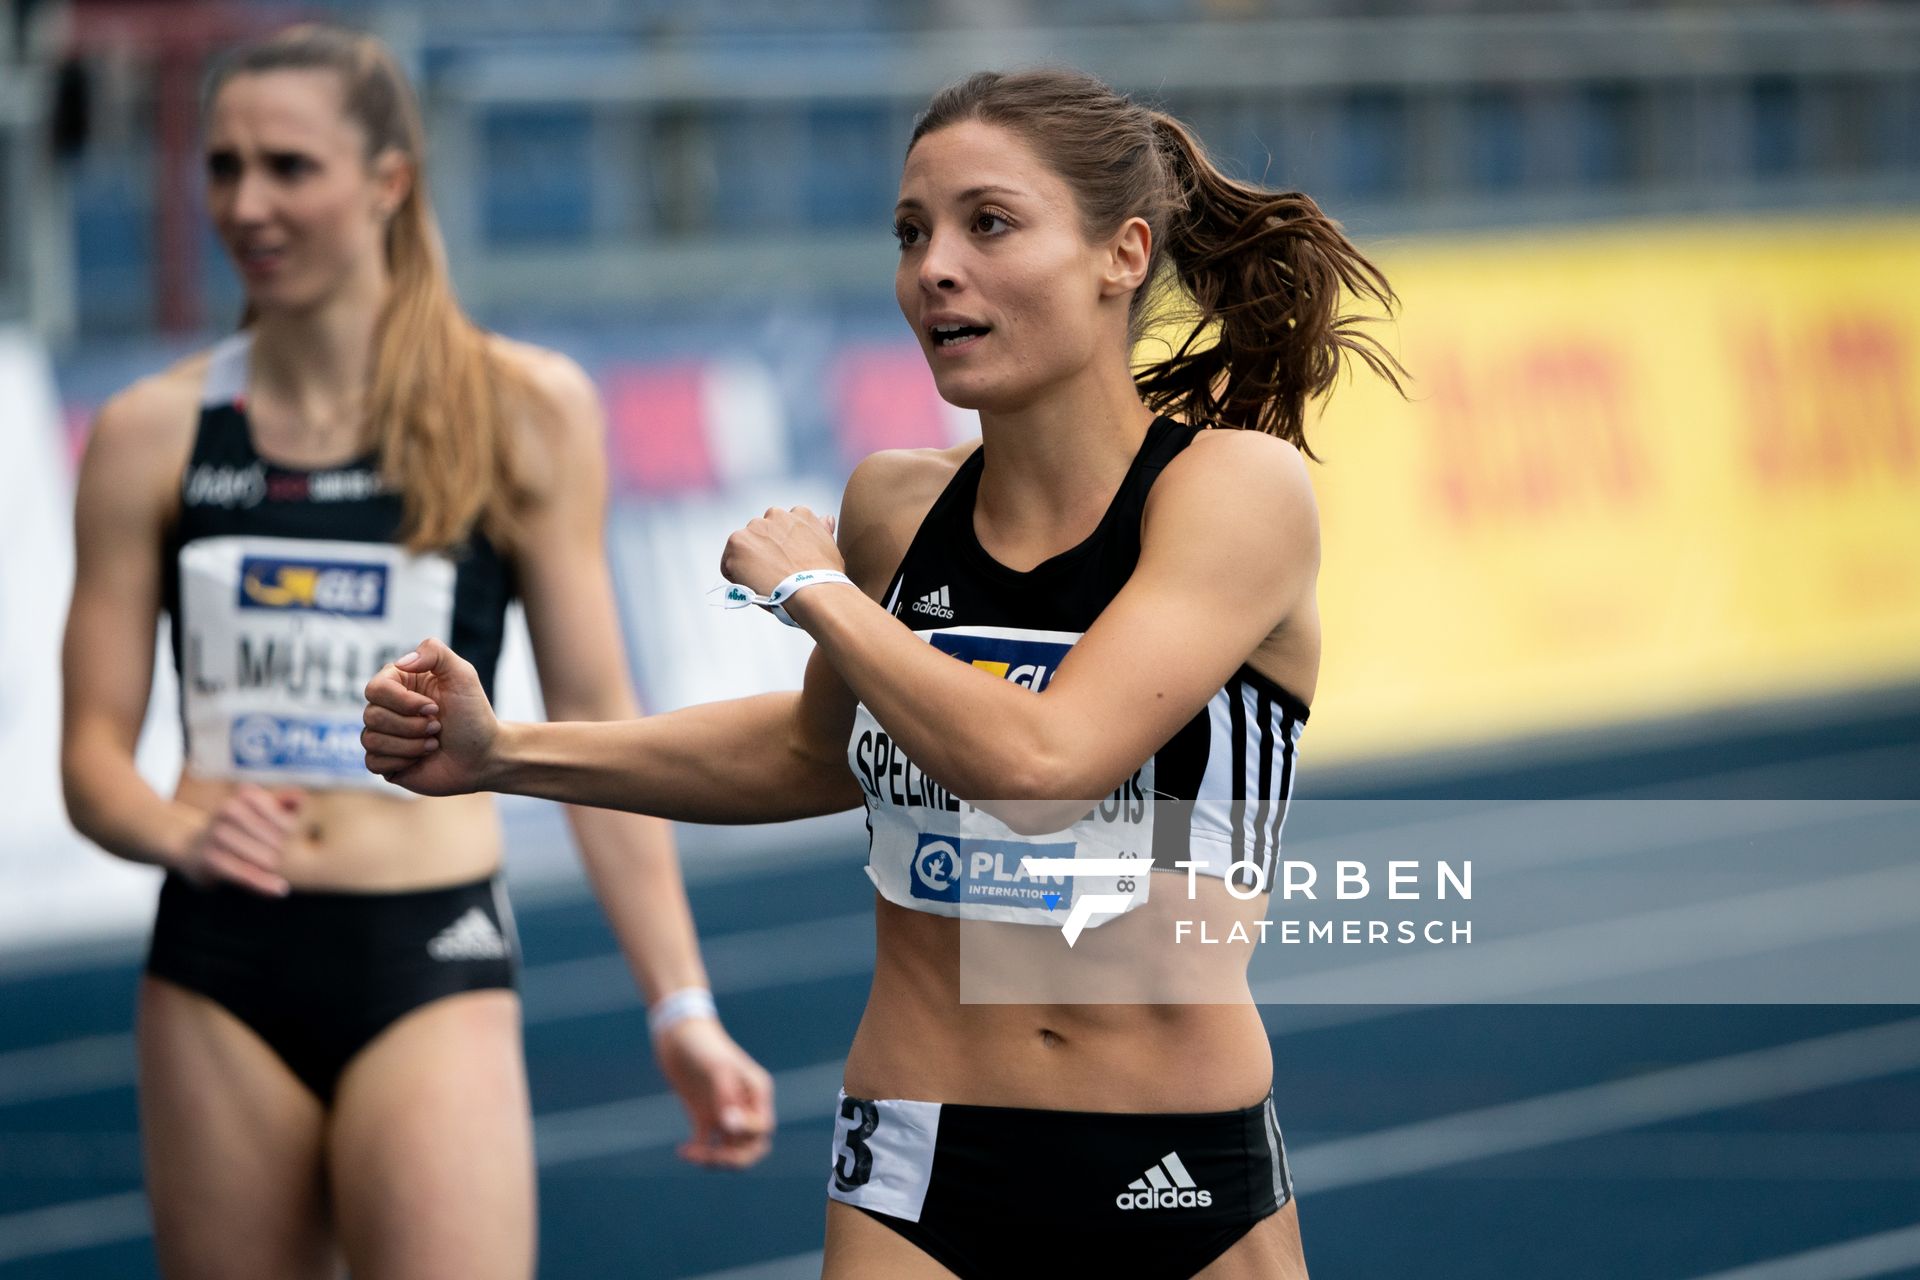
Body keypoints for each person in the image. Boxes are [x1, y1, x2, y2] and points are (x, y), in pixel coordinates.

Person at [364, 68, 1401, 1279]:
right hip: (915, 1160)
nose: (934, 268)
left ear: (1123, 255)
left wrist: (824, 598)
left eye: (988, 223)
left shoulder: (1231, 492)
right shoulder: (898, 505)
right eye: (912, 233)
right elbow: (816, 752)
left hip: (1176, 1165)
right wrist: (504, 754)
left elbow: (1046, 760)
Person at [59, 24, 773, 1280]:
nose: (246, 203)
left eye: (289, 167)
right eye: (222, 168)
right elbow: (89, 757)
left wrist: (683, 1005)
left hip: (428, 953)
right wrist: (179, 834)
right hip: (218, 964)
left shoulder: (522, 409)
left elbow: (596, 722)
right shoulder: (147, 432)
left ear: (389, 180)